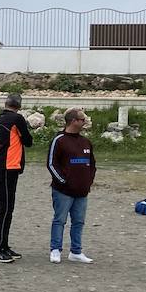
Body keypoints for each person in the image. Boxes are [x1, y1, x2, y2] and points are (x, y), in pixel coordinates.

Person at [0, 94, 34, 264]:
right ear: (18, 106)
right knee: (5, 209)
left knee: (7, 208)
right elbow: (28, 141)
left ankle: (4, 245)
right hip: (8, 167)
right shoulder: (17, 119)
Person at [47, 108, 96, 264]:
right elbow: (51, 163)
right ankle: (55, 249)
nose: (84, 122)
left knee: (79, 221)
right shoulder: (59, 140)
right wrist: (63, 181)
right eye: (82, 119)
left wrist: (88, 181)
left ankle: (76, 251)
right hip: (63, 191)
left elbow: (92, 164)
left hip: (82, 191)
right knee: (60, 220)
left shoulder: (86, 142)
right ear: (73, 121)